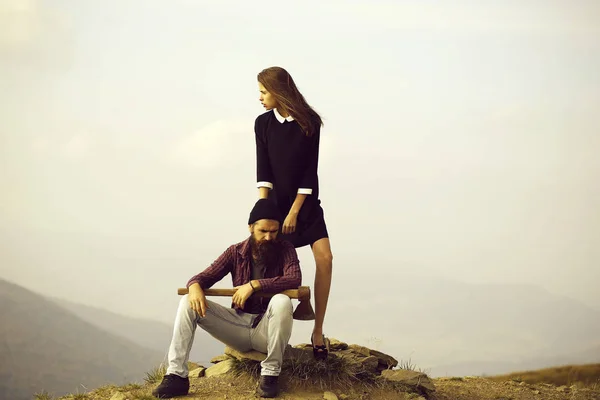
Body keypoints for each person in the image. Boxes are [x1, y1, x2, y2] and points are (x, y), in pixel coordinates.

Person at [152, 199, 302, 399]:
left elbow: (294, 278)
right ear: (250, 227)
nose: (268, 237)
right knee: (187, 301)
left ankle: (270, 374)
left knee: (282, 302)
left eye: (274, 231)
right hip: (237, 326)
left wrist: (254, 285)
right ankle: (177, 376)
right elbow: (203, 276)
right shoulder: (235, 252)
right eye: (263, 231)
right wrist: (195, 286)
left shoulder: (285, 249)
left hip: (267, 329)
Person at [254, 66, 333, 360]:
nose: (260, 98)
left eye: (263, 92)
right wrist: (265, 211)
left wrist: (295, 212)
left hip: (306, 204)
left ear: (279, 92)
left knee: (325, 258)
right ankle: (263, 330)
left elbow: (309, 172)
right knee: (266, 262)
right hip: (275, 205)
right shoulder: (262, 124)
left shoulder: (308, 123)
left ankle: (317, 331)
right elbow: (263, 170)